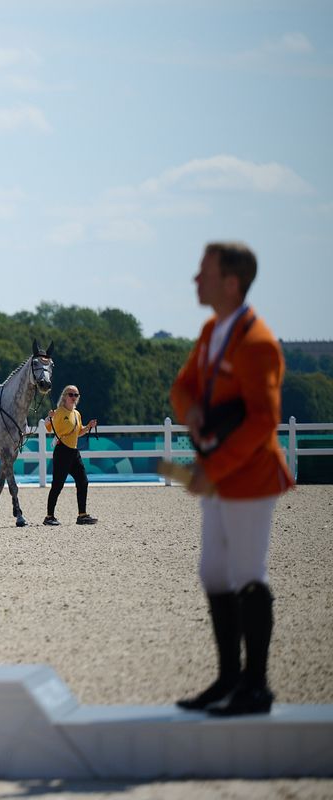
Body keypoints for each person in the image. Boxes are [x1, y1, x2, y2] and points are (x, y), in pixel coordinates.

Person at [171, 242, 293, 717]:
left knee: (246, 574)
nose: (194, 280)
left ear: (231, 282)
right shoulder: (212, 330)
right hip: (222, 473)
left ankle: (256, 685)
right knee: (214, 573)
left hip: (249, 476)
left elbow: (263, 421)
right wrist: (193, 411)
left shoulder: (257, 342)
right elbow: (182, 387)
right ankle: (228, 678)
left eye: (203, 272)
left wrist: (213, 470)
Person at [43, 385, 99, 525]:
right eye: (71, 394)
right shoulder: (59, 412)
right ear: (64, 396)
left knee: (83, 481)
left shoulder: (77, 414)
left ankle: (82, 515)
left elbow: (78, 432)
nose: (74, 397)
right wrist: (49, 419)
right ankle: (49, 517)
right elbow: (50, 429)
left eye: (76, 395)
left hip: (74, 452)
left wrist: (88, 427)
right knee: (57, 485)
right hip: (62, 451)